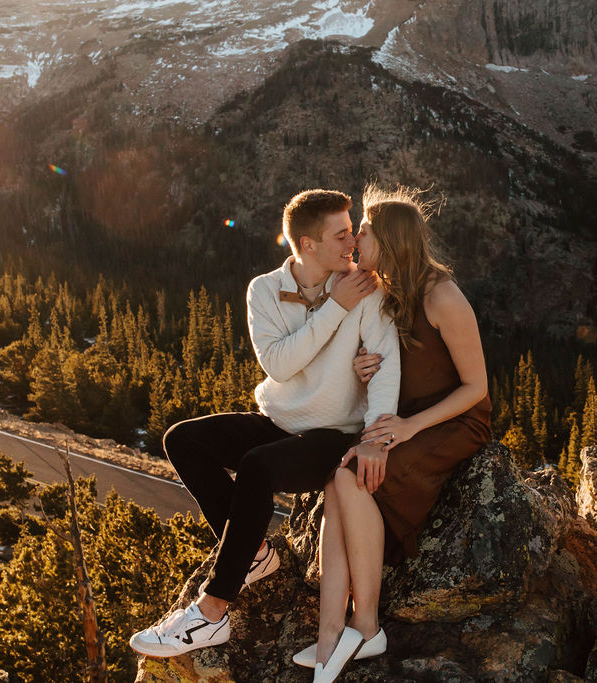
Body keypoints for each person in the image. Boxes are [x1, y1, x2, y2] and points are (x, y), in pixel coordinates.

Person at [129, 189, 400, 658]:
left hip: (334, 435)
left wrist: (375, 438)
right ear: (307, 244)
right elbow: (278, 364)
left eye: (352, 230)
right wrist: (333, 308)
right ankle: (255, 554)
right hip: (279, 419)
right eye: (340, 234)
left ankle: (211, 612)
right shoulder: (265, 290)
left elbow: (386, 368)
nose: (352, 242)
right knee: (183, 440)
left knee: (256, 466)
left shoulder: (365, 289)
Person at [293, 186, 492, 683]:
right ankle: (331, 633)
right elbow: (387, 364)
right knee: (339, 479)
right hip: (401, 418)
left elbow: (477, 388)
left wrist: (406, 429)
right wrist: (365, 372)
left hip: (452, 421)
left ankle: (366, 624)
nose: (355, 235)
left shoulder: (441, 295)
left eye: (364, 228)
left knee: (352, 477)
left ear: (391, 239)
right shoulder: (377, 286)